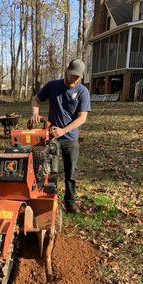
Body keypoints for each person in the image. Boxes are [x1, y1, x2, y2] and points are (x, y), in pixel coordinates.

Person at [30, 59, 90, 214]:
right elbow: (36, 99)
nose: (74, 79)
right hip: (52, 138)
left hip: (70, 139)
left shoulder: (83, 92)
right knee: (48, 171)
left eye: (78, 77)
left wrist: (64, 130)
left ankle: (70, 202)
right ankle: (49, 202)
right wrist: (35, 112)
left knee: (71, 172)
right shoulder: (53, 86)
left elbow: (82, 118)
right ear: (66, 71)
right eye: (72, 75)